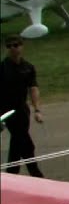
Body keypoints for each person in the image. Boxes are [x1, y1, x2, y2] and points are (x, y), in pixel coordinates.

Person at [1, 35, 45, 177]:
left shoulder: (28, 67)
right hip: (6, 111)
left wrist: (37, 109)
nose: (13, 48)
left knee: (17, 142)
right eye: (9, 46)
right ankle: (36, 174)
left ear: (22, 46)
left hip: (22, 110)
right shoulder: (2, 68)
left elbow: (33, 88)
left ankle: (11, 174)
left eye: (16, 45)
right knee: (24, 141)